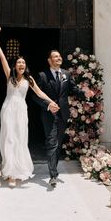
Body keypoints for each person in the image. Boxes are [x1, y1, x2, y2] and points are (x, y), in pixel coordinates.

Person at [0, 36, 59, 187]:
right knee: (9, 139)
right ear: (15, 66)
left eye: (23, 62)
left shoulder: (29, 79)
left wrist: (51, 101)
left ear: (25, 66)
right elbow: (2, 57)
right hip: (8, 109)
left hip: (21, 110)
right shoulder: (9, 75)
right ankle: (10, 174)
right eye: (18, 62)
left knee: (20, 139)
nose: (21, 64)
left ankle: (19, 170)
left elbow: (40, 93)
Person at [36, 49, 87, 186]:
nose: (58, 58)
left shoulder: (66, 74)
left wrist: (85, 94)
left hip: (63, 114)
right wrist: (47, 105)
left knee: (58, 144)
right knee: (52, 142)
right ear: (49, 60)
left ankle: (54, 168)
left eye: (59, 56)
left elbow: (73, 89)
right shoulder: (42, 76)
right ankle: (53, 174)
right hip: (48, 115)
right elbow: (35, 95)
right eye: (55, 56)